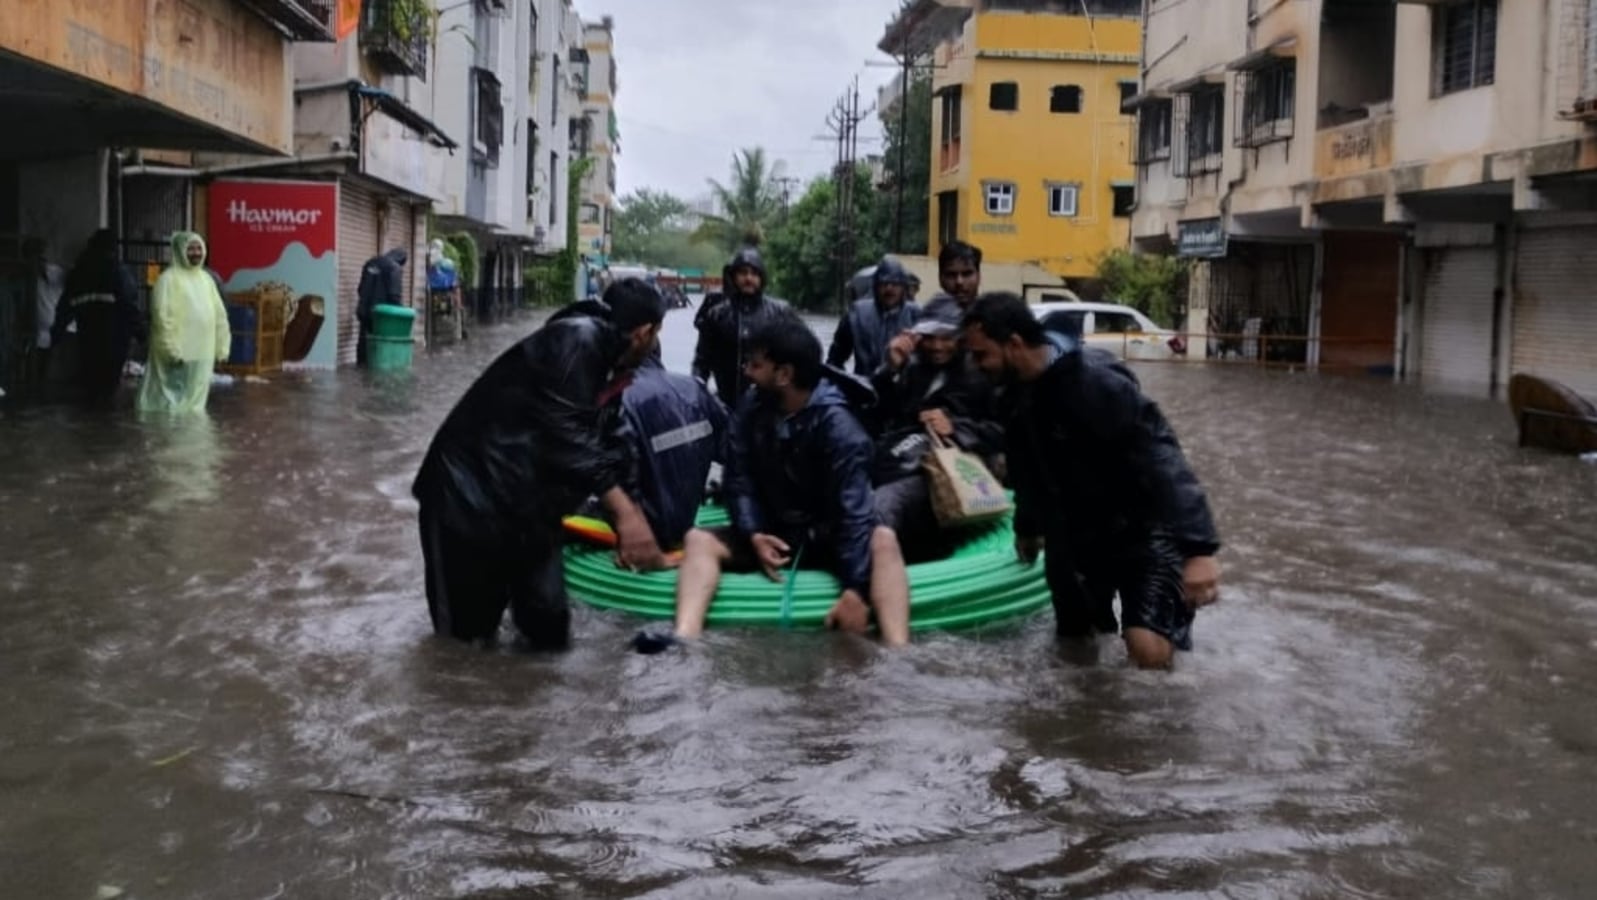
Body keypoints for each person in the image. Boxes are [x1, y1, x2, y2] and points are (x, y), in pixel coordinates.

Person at [960, 293, 1221, 669]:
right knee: (1075, 648)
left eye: (981, 354)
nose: (975, 365)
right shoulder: (1010, 397)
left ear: (1014, 344)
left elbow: (1162, 457)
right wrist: (1027, 528)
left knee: (1146, 650)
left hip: (1144, 530)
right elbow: (1025, 469)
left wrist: (1199, 550)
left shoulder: (1095, 383)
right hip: (1075, 537)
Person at [412, 279, 668, 649]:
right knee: (463, 648)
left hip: (531, 510)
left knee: (549, 632)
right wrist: (624, 513)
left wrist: (637, 521)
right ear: (645, 332)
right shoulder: (576, 341)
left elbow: (613, 440)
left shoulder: (612, 364)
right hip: (467, 502)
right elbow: (567, 437)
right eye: (658, 332)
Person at [636, 318, 912, 653]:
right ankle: (685, 635)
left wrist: (855, 589)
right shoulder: (751, 407)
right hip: (773, 531)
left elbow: (853, 511)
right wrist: (753, 533)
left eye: (755, 365)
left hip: (827, 535)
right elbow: (738, 480)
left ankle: (898, 653)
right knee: (697, 539)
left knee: (882, 538)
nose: (747, 372)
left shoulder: (840, 429)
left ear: (783, 375)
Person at [869, 302, 1004, 562]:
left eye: (946, 338)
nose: (937, 346)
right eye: (930, 338)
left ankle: (874, 577)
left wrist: (956, 426)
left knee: (886, 503)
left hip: (959, 465)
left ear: (961, 338)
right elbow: (879, 414)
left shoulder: (983, 370)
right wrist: (890, 370)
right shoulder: (915, 366)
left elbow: (1006, 432)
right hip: (909, 456)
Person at [620, 349, 730, 549]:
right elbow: (734, 452)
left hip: (636, 530)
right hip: (683, 526)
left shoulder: (613, 397)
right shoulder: (696, 389)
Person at [135, 232, 230, 415]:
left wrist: (222, 347)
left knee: (194, 405)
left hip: (202, 354)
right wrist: (171, 350)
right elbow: (162, 318)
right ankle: (170, 437)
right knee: (168, 404)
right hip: (178, 354)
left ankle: (193, 439)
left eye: (199, 248)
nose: (196, 253)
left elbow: (219, 316)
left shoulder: (206, 280)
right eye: (191, 248)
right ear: (180, 250)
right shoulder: (168, 280)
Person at [691, 246, 798, 407]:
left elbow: (799, 356)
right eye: (743, 273)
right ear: (733, 276)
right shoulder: (717, 315)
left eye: (754, 273)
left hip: (769, 406)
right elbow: (702, 361)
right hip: (726, 403)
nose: (749, 278)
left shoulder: (780, 312)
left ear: (762, 278)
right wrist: (696, 395)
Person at [50, 230, 141, 406]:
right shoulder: (119, 271)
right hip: (116, 338)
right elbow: (129, 304)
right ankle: (105, 421)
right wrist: (141, 333)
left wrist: (56, 333)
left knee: (90, 385)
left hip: (88, 336)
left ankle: (92, 419)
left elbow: (65, 306)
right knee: (109, 387)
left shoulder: (79, 272)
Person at [828, 257, 921, 377]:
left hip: (904, 390)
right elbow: (834, 361)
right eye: (884, 283)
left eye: (895, 284)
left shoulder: (917, 315)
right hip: (865, 388)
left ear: (903, 287)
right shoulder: (856, 315)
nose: (889, 288)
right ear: (875, 285)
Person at [22, 237, 64, 395]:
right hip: (34, 334)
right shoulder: (24, 275)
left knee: (49, 375)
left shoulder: (55, 273)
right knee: (34, 373)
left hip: (53, 332)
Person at [355, 248, 407, 366]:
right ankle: (376, 369)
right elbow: (394, 295)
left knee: (363, 341)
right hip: (382, 315)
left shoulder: (370, 263)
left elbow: (360, 289)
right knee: (381, 344)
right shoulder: (394, 268)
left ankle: (361, 366)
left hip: (363, 311)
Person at [919, 240, 983, 323]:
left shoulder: (993, 320)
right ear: (940, 278)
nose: (959, 282)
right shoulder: (927, 319)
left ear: (978, 276)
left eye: (967, 274)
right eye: (951, 275)